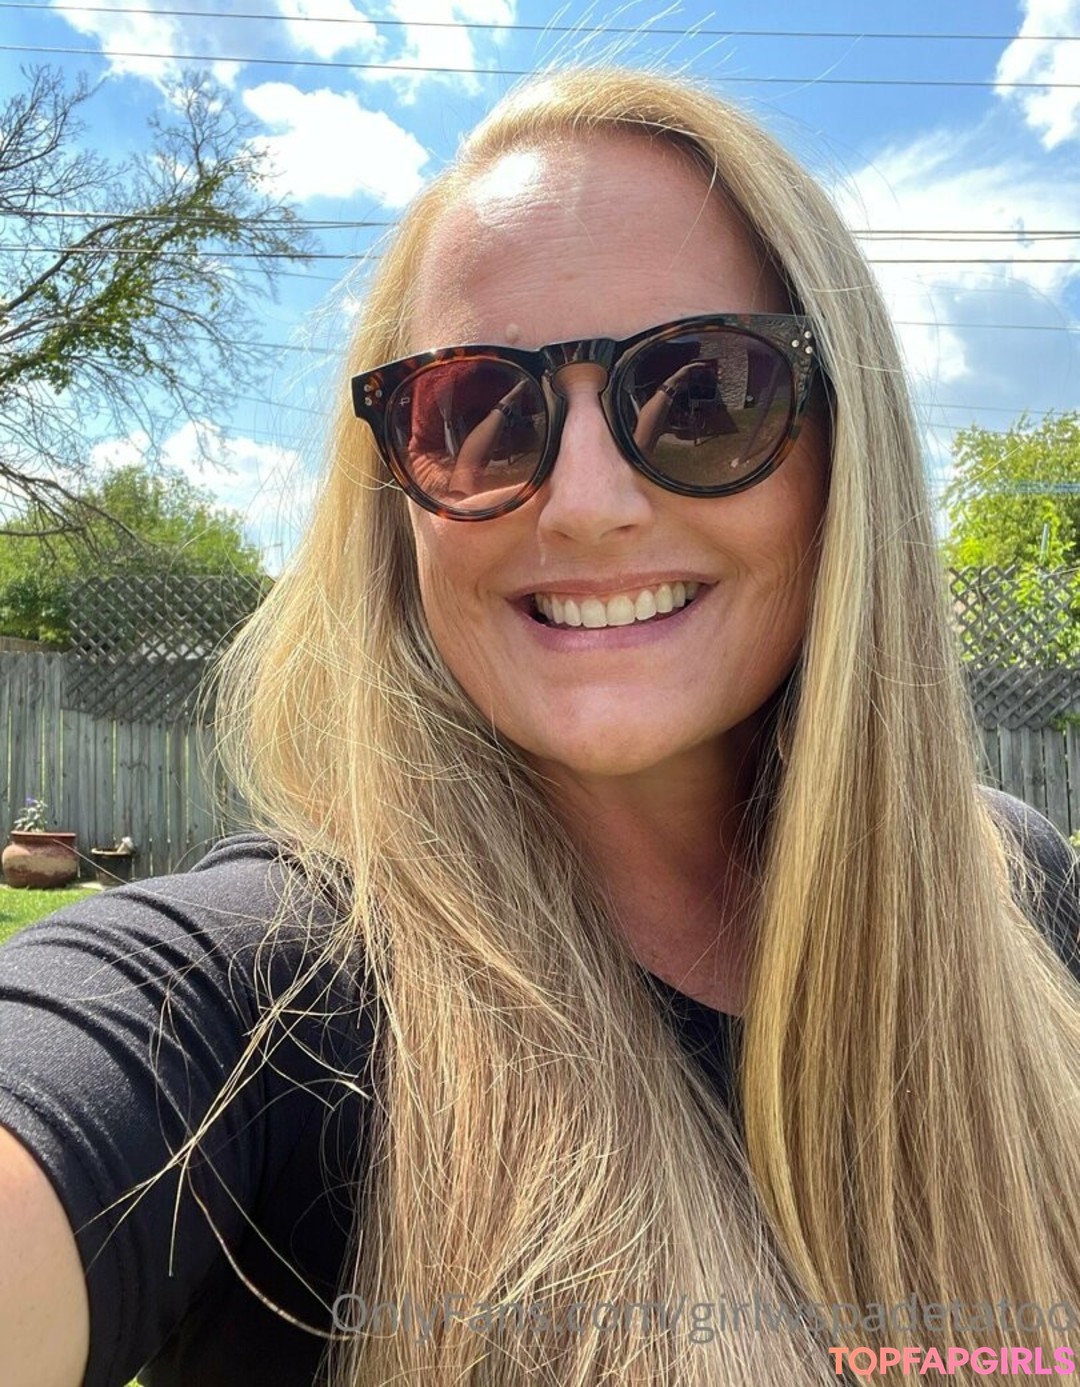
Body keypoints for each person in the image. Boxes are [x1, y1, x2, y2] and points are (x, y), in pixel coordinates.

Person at [1, 65, 1079, 1387]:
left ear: (844, 454)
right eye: (475, 413)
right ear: (394, 501)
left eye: (706, 393)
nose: (583, 503)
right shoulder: (264, 1003)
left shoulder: (1018, 894)